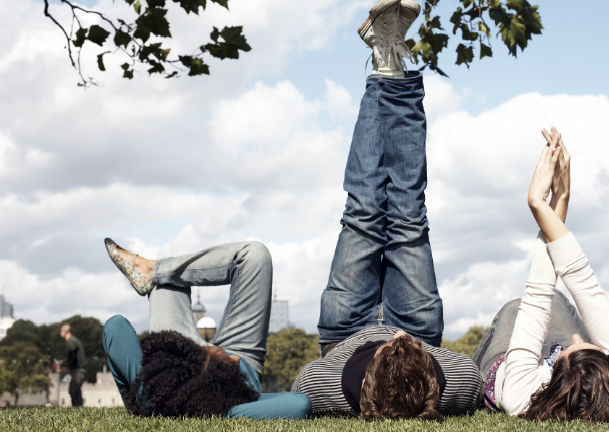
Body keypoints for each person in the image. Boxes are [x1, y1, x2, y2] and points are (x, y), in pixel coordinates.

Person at [291, 0, 482, 420]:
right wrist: (416, 346)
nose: (390, 341)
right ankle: (390, 56)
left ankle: (385, 56)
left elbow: (302, 383)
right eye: (400, 349)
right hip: (419, 329)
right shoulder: (457, 386)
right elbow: (471, 374)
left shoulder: (325, 389)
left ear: (365, 386)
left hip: (345, 332)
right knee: (408, 212)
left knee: (363, 210)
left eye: (385, 352)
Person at [472, 128, 609, 422]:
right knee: (558, 300)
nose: (575, 336)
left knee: (515, 308)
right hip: (567, 362)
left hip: (506, 362)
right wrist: (561, 197)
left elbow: (537, 292)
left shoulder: (522, 395)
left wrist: (538, 201)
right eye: (587, 344)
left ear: (552, 377)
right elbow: (588, 290)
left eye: (571, 348)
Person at [101, 239, 311, 419]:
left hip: (177, 356)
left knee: (166, 283)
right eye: (220, 363)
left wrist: (191, 362)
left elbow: (115, 326)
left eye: (207, 356)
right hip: (241, 373)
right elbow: (299, 403)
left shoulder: (152, 395)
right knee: (255, 255)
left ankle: (152, 270)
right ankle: (155, 271)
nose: (212, 350)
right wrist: (216, 406)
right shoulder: (231, 402)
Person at [59, 323, 86, 407]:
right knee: (76, 390)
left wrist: (65, 363)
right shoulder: (73, 341)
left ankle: (77, 408)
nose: (60, 333)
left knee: (73, 390)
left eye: (61, 331)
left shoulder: (71, 342)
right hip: (79, 369)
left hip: (78, 370)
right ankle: (79, 407)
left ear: (66, 331)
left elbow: (72, 356)